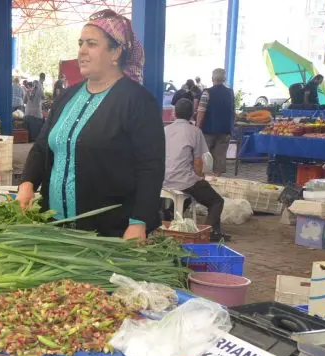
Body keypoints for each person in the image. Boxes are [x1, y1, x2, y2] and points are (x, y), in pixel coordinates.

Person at [18, 9, 164, 239]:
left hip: (109, 231)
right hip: (55, 224)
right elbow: (41, 146)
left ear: (115, 52)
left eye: (92, 44)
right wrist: (27, 183)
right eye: (80, 43)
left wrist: (139, 222)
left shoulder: (137, 101)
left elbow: (151, 168)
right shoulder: (67, 97)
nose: (81, 51)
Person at [164, 99, 228, 241]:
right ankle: (205, 234)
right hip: (183, 180)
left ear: (174, 113)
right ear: (192, 114)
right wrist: (199, 177)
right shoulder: (195, 131)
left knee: (188, 192)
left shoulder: (165, 130)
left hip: (164, 180)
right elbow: (199, 162)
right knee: (216, 201)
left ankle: (168, 214)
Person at [196, 68, 234, 177]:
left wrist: (198, 127)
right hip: (225, 131)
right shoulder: (230, 93)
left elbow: (201, 112)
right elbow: (232, 112)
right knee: (220, 158)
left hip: (208, 131)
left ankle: (205, 182)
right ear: (224, 79)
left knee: (205, 159)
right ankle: (217, 182)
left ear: (212, 78)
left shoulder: (207, 93)